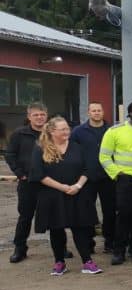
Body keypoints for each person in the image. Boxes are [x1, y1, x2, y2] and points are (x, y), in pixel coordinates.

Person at [29, 117, 102, 276]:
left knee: (80, 228)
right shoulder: (40, 149)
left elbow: (88, 169)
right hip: (52, 195)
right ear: (52, 131)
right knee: (56, 229)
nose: (67, 132)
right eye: (62, 129)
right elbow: (38, 174)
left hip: (77, 194)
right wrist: (62, 187)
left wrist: (78, 186)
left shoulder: (78, 147)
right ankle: (59, 262)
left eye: (67, 128)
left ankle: (87, 262)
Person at [100, 100, 132, 266]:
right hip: (125, 179)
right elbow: (104, 156)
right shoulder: (115, 131)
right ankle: (118, 251)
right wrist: (117, 173)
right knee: (124, 215)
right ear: (130, 113)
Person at [6, 102, 49, 263]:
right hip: (28, 183)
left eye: (42, 114)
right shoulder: (19, 134)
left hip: (50, 182)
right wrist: (19, 173)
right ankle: (20, 249)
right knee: (25, 216)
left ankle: (61, 248)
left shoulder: (52, 133)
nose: (39, 117)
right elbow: (10, 155)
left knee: (54, 215)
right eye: (35, 115)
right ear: (29, 116)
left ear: (46, 116)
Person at [71, 101, 114, 254]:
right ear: (88, 113)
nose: (96, 113)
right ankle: (89, 243)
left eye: (99, 110)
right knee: (87, 211)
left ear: (103, 112)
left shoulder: (111, 130)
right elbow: (73, 152)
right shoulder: (78, 132)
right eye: (93, 110)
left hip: (108, 177)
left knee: (110, 210)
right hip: (86, 177)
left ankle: (110, 242)